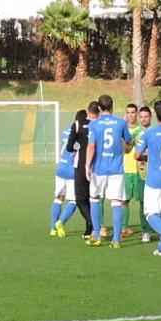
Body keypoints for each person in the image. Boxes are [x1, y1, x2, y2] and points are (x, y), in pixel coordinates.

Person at [85, 94, 133, 248]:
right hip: (116, 170)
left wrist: (87, 165)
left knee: (95, 199)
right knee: (116, 202)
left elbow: (91, 146)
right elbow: (129, 142)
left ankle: (97, 235)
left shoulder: (94, 124)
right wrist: (126, 147)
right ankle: (116, 240)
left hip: (99, 169)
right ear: (112, 106)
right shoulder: (121, 123)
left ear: (99, 108)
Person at [134, 101, 161, 257]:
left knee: (151, 214)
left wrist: (149, 156)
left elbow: (137, 155)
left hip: (155, 178)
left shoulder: (149, 133)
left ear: (155, 116)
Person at [66, 101, 98, 240]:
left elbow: (69, 147)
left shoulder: (78, 124)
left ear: (87, 111)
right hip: (97, 165)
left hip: (81, 164)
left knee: (80, 199)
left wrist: (77, 149)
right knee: (93, 199)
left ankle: (92, 223)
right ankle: (89, 229)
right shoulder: (100, 124)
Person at [121, 103, 148, 241]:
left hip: (138, 171)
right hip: (125, 170)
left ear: (136, 114)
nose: (130, 115)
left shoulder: (141, 132)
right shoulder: (122, 130)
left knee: (142, 202)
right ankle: (124, 228)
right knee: (124, 201)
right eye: (128, 113)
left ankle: (145, 230)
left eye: (133, 113)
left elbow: (143, 151)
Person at [49, 116, 79, 238]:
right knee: (75, 200)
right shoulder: (81, 133)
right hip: (72, 171)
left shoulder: (66, 129)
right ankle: (61, 222)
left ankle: (52, 229)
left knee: (58, 198)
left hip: (60, 168)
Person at [136, 106, 152, 242]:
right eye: (141, 117)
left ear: (150, 117)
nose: (143, 119)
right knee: (143, 203)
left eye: (146, 116)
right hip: (141, 173)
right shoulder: (136, 133)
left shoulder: (154, 132)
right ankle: (145, 231)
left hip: (155, 173)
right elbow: (136, 154)